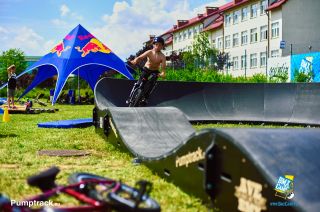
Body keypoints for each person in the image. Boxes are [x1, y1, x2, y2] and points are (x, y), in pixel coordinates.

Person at [128, 36, 166, 103]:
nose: (158, 46)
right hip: (147, 69)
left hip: (155, 71)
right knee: (139, 83)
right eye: (156, 44)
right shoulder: (149, 52)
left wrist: (162, 73)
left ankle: (145, 98)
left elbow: (163, 68)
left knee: (152, 83)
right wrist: (135, 61)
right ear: (153, 45)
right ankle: (132, 94)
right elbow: (140, 57)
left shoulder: (162, 57)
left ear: (162, 46)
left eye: (160, 45)